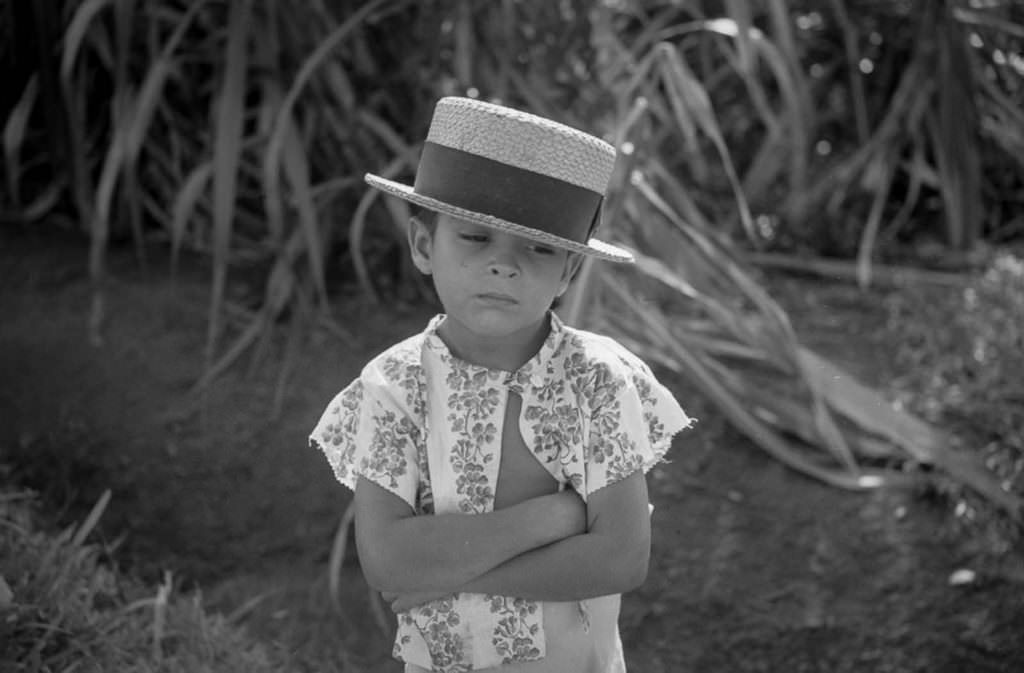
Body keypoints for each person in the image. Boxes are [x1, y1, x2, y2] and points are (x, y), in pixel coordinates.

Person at [309, 96, 694, 672]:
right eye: (475, 238)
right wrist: (555, 519)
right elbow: (389, 562)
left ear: (568, 270)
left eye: (538, 248)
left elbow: (620, 559)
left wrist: (448, 571)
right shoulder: (393, 387)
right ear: (422, 246)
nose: (504, 265)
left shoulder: (599, 382)